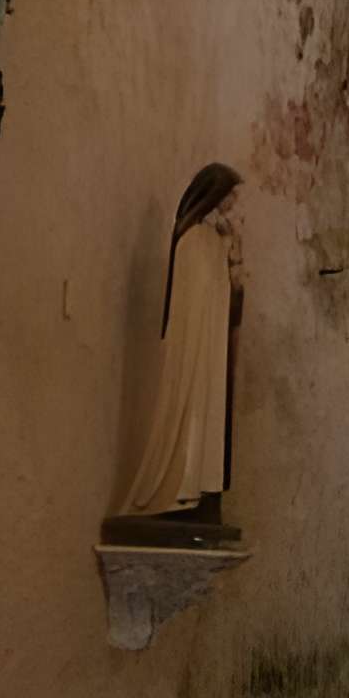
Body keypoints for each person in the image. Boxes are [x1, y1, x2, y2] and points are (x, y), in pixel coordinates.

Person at [112, 164, 244, 523]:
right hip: (192, 349)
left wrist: (234, 259)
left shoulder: (215, 241)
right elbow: (189, 302)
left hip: (210, 351)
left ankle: (200, 491)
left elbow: (228, 299)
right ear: (213, 195)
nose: (232, 204)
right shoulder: (191, 240)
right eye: (229, 197)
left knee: (207, 415)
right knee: (187, 413)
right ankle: (175, 491)